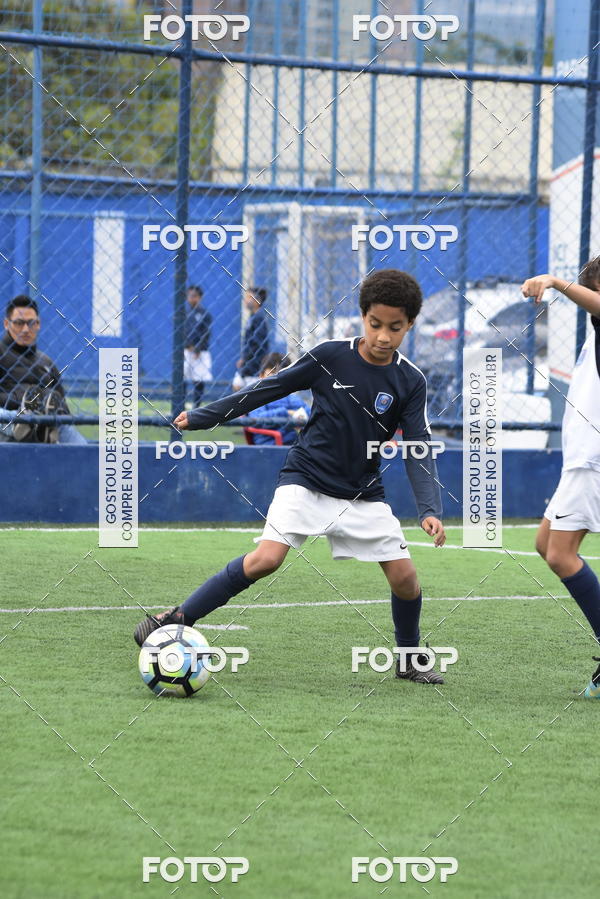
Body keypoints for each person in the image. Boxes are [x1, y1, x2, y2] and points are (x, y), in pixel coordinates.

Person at [135, 269, 447, 685]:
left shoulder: (410, 380)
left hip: (361, 493)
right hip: (305, 478)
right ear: (362, 316)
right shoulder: (330, 357)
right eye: (375, 324)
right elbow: (270, 389)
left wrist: (429, 508)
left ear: (410, 324)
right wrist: (206, 416)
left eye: (395, 327)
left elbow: (418, 445)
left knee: (406, 579)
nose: (383, 336)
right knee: (266, 559)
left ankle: (408, 659)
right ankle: (177, 618)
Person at [524, 260, 600, 698]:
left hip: (592, 461)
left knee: (559, 554)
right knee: (545, 544)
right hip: (581, 460)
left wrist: (555, 281)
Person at [0, 295, 85, 445]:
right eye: (19, 323)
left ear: (38, 324)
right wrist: (22, 401)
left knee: (79, 445)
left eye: (31, 323)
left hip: (46, 420)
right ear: (7, 324)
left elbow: (62, 406)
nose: (25, 329)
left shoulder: (46, 362)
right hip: (8, 417)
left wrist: (45, 403)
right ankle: (21, 425)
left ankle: (41, 429)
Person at [248, 352, 311, 445]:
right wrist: (286, 413)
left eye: (283, 376)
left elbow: (307, 412)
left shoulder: (289, 398)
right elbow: (256, 419)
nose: (277, 380)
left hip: (292, 443)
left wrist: (300, 416)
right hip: (268, 444)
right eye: (273, 374)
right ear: (261, 376)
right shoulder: (258, 398)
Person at [232, 287, 270, 391]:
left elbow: (257, 344)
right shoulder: (253, 317)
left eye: (249, 297)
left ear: (257, 301)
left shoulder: (259, 318)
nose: (245, 300)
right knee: (238, 385)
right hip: (250, 361)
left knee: (242, 386)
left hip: (254, 363)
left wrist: (245, 358)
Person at [184, 285, 213, 407]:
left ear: (200, 297)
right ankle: (180, 405)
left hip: (200, 352)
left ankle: (196, 406)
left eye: (194, 296)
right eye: (189, 296)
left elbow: (206, 333)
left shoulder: (205, 314)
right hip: (186, 351)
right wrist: (187, 345)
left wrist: (197, 349)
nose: (191, 298)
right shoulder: (183, 313)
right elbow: (181, 332)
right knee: (182, 379)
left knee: (199, 380)